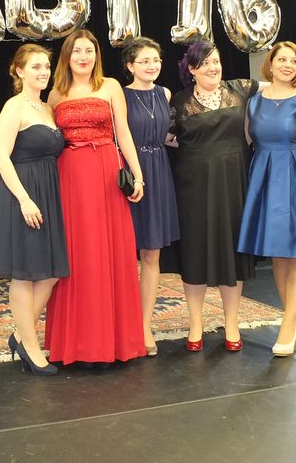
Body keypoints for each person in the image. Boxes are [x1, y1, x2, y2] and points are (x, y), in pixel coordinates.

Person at [166, 40, 296, 353]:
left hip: (236, 180)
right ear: (191, 69)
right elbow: (167, 138)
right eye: (204, 63)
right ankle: (196, 324)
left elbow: (280, 83)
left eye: (216, 61)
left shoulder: (240, 89)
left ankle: (233, 323)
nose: (212, 68)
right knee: (195, 251)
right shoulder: (180, 101)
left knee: (233, 252)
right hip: (194, 183)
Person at [44, 28, 147, 365]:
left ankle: (114, 343)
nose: (83, 57)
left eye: (89, 51)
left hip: (105, 172)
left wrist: (137, 175)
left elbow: (124, 133)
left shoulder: (111, 86)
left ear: (96, 56)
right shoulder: (55, 96)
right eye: (77, 51)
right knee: (78, 254)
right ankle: (75, 345)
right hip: (70, 176)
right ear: (67, 56)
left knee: (110, 252)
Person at [237, 41, 296, 357]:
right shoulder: (252, 102)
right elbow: (247, 140)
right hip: (264, 176)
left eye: (293, 61)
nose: (287, 65)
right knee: (278, 254)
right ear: (270, 63)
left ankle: (288, 323)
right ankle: (290, 319)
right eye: (281, 59)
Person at [0, 44, 69, 376]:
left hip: (47, 193)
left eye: (46, 66)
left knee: (50, 273)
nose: (43, 72)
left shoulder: (48, 108)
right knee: (24, 273)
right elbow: (1, 157)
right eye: (36, 67)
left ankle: (21, 336)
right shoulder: (14, 106)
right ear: (19, 71)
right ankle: (32, 347)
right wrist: (24, 199)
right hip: (20, 194)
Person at [121, 37, 180, 357]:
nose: (152, 65)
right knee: (122, 254)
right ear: (130, 65)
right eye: (144, 60)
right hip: (129, 175)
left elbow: (167, 136)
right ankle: (121, 322)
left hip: (158, 172)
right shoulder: (120, 95)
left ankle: (144, 324)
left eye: (155, 60)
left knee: (151, 254)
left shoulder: (165, 93)